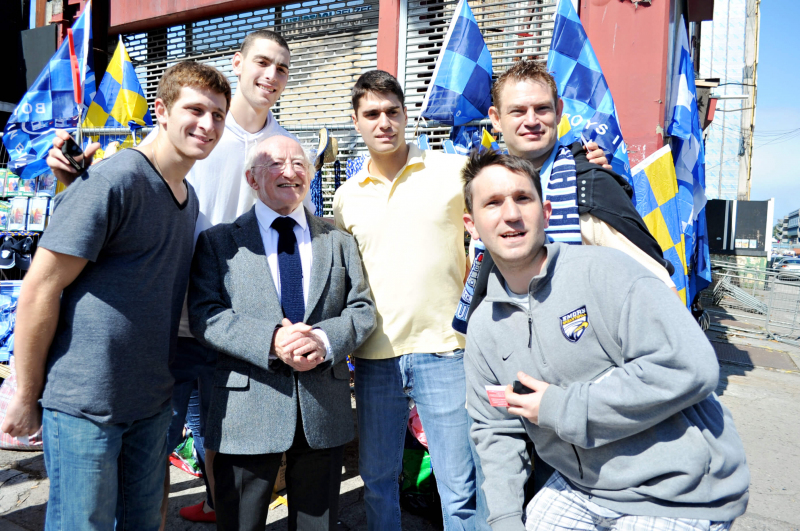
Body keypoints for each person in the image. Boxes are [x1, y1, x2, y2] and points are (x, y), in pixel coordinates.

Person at [45, 29, 304, 524]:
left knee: (227, 439)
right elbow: (127, 186)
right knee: (152, 447)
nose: (271, 76)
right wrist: (73, 184)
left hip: (235, 322)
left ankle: (215, 507)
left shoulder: (282, 145)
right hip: (169, 321)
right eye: (262, 62)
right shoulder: (196, 129)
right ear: (238, 62)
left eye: (283, 68)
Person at [461, 149, 750, 531]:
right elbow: (496, 431)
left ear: (546, 213)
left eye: (522, 198)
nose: (510, 214)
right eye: (493, 203)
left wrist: (561, 407)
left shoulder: (608, 272)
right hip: (583, 487)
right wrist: (505, 520)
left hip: (677, 492)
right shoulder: (483, 326)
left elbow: (691, 366)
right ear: (472, 224)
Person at [1, 61, 231, 531]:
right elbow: (40, 287)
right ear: (162, 112)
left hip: (150, 402)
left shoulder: (189, 199)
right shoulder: (115, 180)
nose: (207, 124)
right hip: (86, 404)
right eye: (195, 109)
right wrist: (26, 394)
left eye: (218, 115)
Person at [188, 134, 376, 531]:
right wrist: (272, 340)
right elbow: (206, 314)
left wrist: (323, 341)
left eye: (300, 164)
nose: (290, 172)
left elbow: (361, 310)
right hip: (245, 409)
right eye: (276, 163)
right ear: (251, 179)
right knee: (240, 522)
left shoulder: (338, 241)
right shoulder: (218, 242)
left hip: (322, 403)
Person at [469, 59, 677, 326]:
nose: (531, 121)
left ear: (558, 111)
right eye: (518, 111)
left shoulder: (589, 186)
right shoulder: (485, 188)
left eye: (542, 109)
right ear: (496, 119)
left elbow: (658, 290)